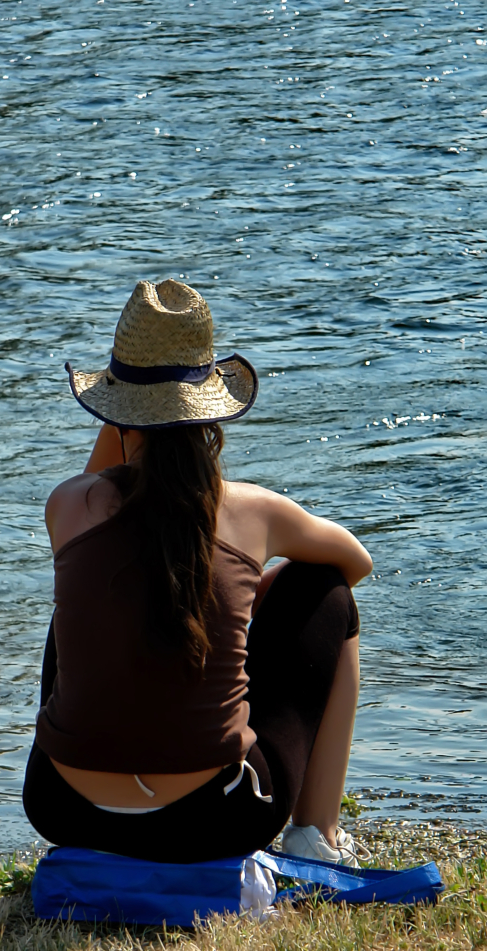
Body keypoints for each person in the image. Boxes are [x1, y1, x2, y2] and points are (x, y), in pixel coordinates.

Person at [23, 278, 373, 866]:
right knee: (326, 592)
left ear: (116, 415)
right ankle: (319, 837)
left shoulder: (67, 506)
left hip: (64, 810)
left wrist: (125, 410)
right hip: (215, 820)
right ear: (211, 417)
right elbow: (354, 562)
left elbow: (101, 489)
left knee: (82, 599)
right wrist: (248, 595)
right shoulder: (254, 511)